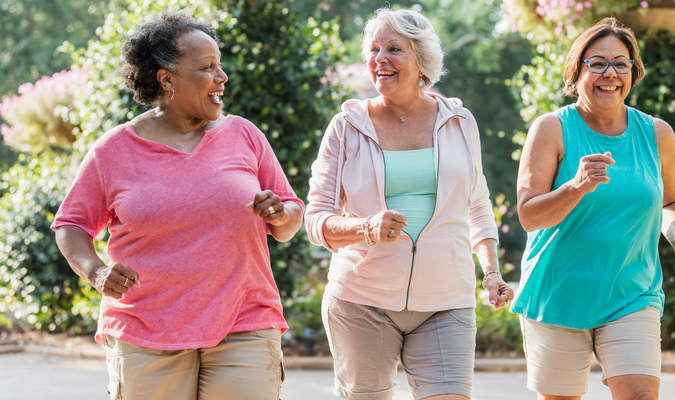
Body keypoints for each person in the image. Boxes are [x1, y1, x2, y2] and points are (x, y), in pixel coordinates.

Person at [51, 11, 303, 400]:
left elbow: (289, 218)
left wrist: (281, 214)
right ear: (166, 80)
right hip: (145, 327)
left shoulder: (244, 135)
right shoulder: (114, 150)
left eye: (220, 65)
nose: (222, 77)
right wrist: (96, 272)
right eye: (207, 68)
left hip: (245, 319)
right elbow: (71, 224)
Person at [305, 8, 514, 400]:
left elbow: (478, 205)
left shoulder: (459, 121)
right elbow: (315, 219)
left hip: (446, 301)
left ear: (422, 62)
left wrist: (491, 273)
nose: (380, 58)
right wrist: (364, 228)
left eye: (394, 49)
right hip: (361, 301)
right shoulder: (347, 126)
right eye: (373, 49)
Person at [512, 18, 675, 400]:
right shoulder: (551, 128)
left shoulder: (658, 134)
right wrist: (576, 186)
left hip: (632, 294)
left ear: (633, 71)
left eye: (621, 63)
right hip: (558, 295)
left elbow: (671, 201)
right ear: (576, 72)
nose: (610, 74)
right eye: (596, 63)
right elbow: (530, 214)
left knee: (641, 395)